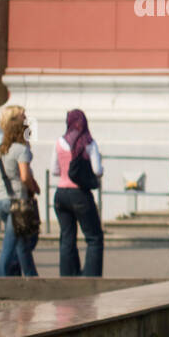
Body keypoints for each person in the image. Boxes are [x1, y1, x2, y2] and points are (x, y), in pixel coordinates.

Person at [49, 109, 104, 277]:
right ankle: (90, 277)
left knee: (67, 237)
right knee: (94, 238)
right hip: (80, 194)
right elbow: (98, 170)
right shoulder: (88, 142)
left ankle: (68, 277)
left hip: (60, 194)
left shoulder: (59, 142)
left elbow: (54, 170)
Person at [0, 105, 39, 276]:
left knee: (22, 242)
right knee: (12, 244)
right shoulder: (21, 150)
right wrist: (34, 188)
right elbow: (25, 177)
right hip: (17, 201)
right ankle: (0, 276)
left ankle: (29, 276)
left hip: (2, 200)